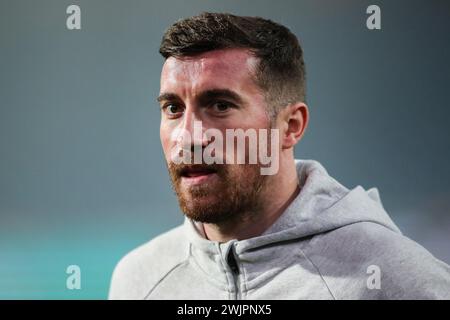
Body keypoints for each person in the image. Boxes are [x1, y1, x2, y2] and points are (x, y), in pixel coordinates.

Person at [109, 12, 450, 299]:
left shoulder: (391, 277)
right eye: (173, 108)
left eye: (220, 105)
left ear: (290, 126)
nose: (188, 136)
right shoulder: (138, 280)